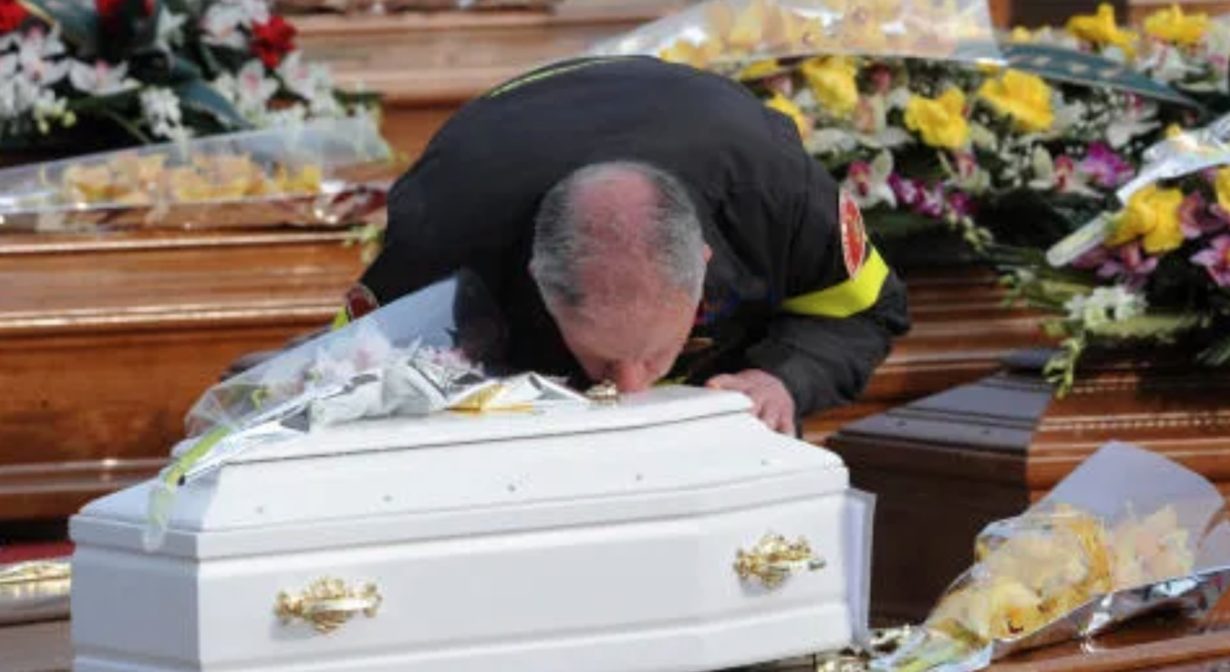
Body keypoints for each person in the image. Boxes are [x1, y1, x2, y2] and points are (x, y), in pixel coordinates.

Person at [341, 55, 911, 435]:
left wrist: (784, 377)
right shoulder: (446, 227)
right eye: (603, 358)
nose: (631, 391)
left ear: (704, 263)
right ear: (539, 277)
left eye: (656, 354)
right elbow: (363, 373)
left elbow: (865, 312)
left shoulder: (770, 189)